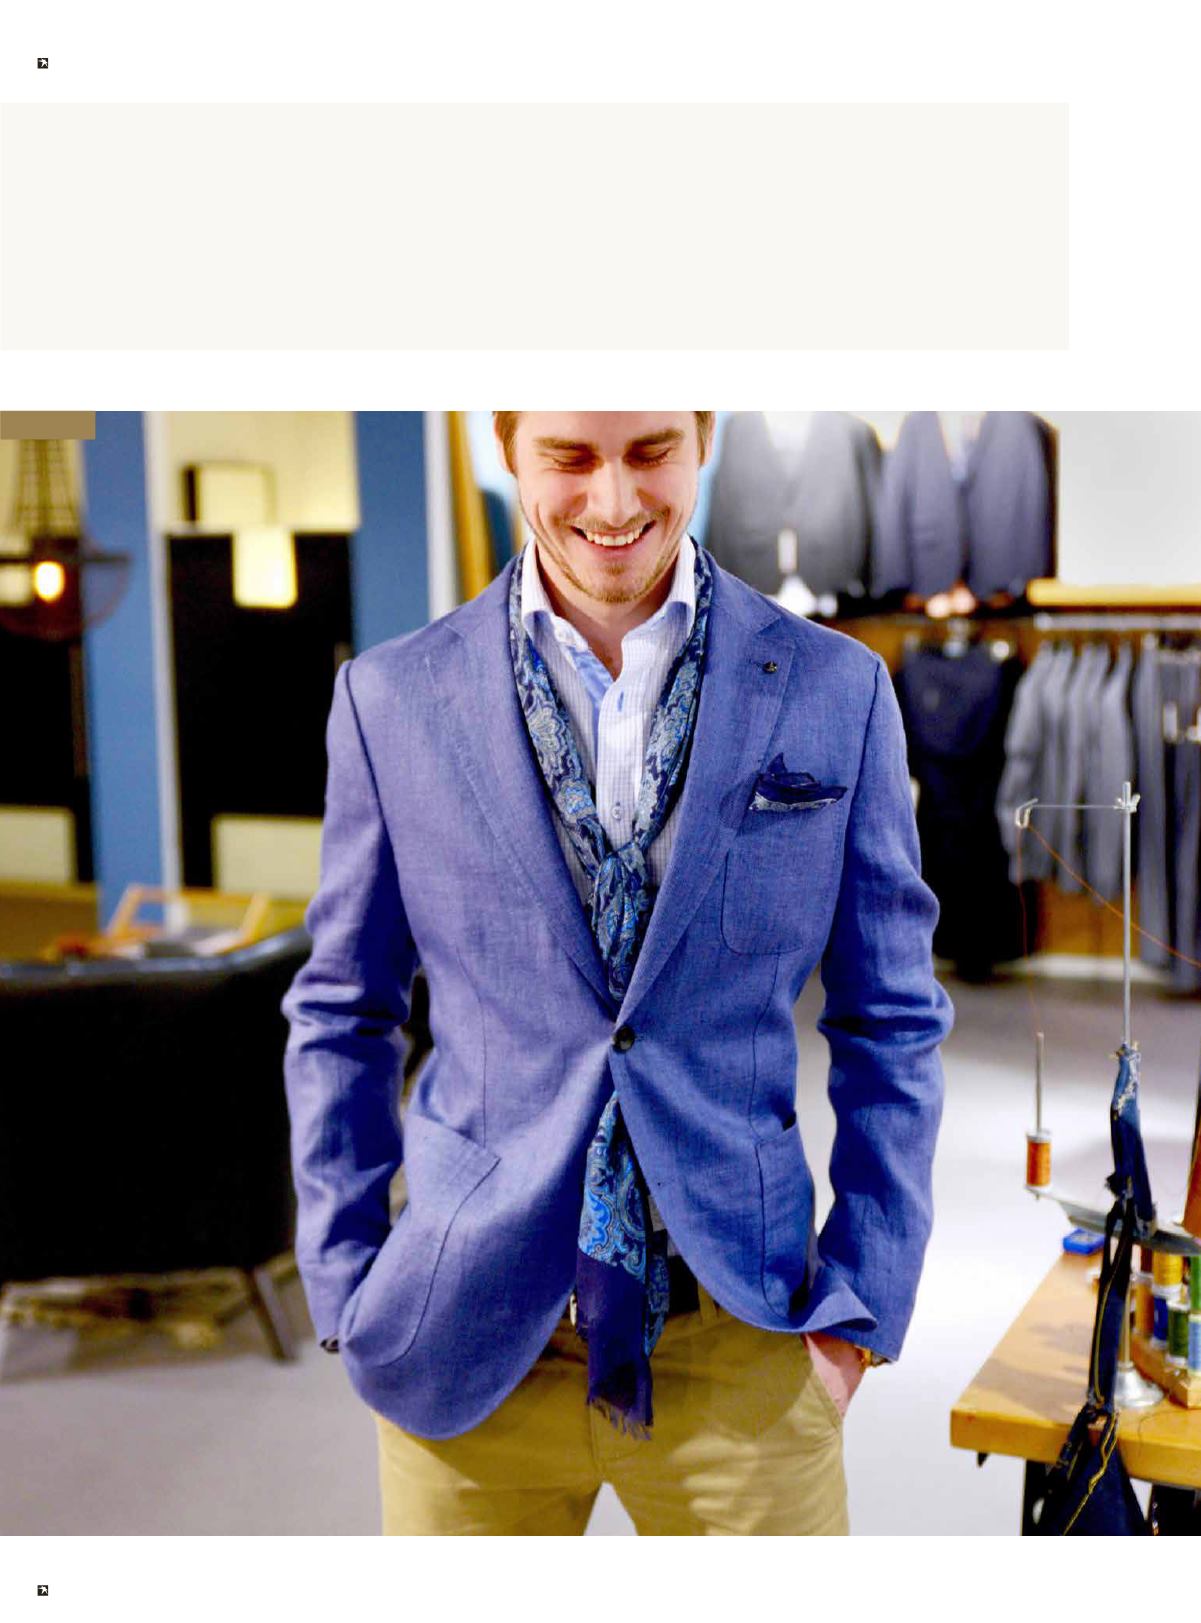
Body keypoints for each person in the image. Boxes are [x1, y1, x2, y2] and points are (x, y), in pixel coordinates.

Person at [282, 411, 953, 1536]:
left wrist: (864, 1301)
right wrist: (345, 1281)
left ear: (704, 435)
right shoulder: (391, 699)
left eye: (649, 452)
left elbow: (892, 1016)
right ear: (506, 446)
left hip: (744, 1327)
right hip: (466, 1335)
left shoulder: (836, 689)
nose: (612, 502)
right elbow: (343, 1010)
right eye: (569, 458)